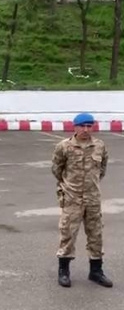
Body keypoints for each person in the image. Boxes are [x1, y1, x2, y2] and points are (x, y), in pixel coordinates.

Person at [52, 113, 113, 288]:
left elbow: (102, 169)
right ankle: (64, 271)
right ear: (75, 127)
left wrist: (90, 185)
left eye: (89, 126)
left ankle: (96, 271)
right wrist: (69, 187)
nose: (86, 129)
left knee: (96, 234)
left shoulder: (99, 146)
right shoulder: (64, 146)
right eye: (82, 126)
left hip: (93, 198)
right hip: (72, 198)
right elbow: (57, 169)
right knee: (68, 234)